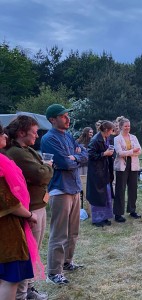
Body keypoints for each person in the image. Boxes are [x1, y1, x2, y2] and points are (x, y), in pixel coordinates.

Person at [5, 116, 53, 300]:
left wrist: (44, 169)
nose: (36, 135)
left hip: (37, 205)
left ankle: (29, 290)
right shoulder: (17, 153)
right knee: (28, 253)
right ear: (21, 132)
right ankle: (21, 294)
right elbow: (40, 175)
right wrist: (48, 167)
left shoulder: (26, 150)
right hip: (29, 208)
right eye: (34, 132)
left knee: (34, 251)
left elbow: (40, 172)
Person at [41, 104, 88, 285]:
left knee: (73, 232)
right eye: (63, 116)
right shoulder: (49, 139)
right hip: (60, 189)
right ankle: (53, 272)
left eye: (67, 116)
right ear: (53, 119)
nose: (67, 119)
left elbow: (85, 155)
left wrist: (74, 157)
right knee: (59, 233)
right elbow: (62, 163)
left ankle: (67, 262)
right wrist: (73, 159)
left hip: (74, 187)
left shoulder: (68, 136)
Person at [0, 123, 43, 300]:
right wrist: (29, 214)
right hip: (6, 229)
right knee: (9, 279)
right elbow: (6, 200)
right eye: (1, 132)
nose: (4, 135)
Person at [113, 116, 142, 222]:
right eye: (125, 126)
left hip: (133, 165)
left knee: (133, 188)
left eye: (129, 126)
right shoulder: (117, 139)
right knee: (120, 189)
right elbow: (120, 153)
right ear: (121, 127)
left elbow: (140, 151)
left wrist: (131, 152)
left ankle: (132, 210)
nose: (127, 128)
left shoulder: (134, 137)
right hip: (122, 166)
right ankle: (118, 213)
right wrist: (132, 151)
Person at [86, 121, 115, 227]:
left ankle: (105, 217)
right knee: (98, 195)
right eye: (112, 130)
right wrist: (104, 154)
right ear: (107, 130)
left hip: (104, 171)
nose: (112, 132)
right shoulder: (95, 140)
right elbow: (91, 155)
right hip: (97, 172)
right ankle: (97, 219)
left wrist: (109, 153)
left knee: (106, 195)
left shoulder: (106, 138)